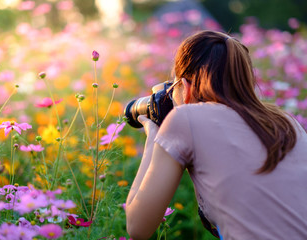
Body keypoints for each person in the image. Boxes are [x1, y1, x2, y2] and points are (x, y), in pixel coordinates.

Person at [125, 30, 307, 240]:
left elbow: (137, 227)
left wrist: (154, 137)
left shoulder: (186, 119)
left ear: (185, 87)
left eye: (173, 87)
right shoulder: (288, 123)